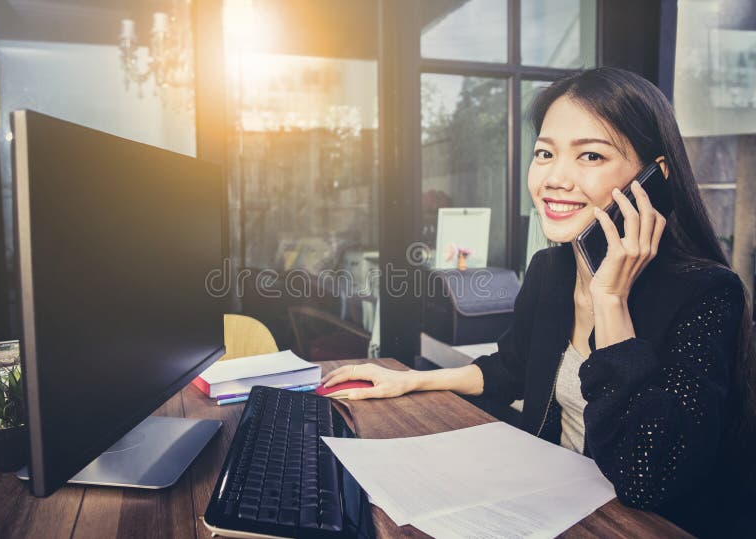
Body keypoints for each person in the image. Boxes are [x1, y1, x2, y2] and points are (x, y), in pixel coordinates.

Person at [321, 67, 755, 537]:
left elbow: (647, 477)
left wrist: (610, 300)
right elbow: (509, 367)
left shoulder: (708, 293)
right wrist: (408, 381)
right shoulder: (552, 270)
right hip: (544, 509)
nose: (555, 178)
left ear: (654, 178)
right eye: (545, 153)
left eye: (590, 155)